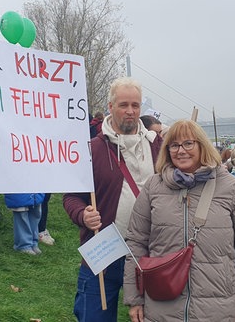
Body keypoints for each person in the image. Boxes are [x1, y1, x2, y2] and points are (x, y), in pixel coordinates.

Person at [123, 120, 235, 321]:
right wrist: (135, 298)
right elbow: (136, 243)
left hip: (219, 309)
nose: (181, 150)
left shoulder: (232, 188)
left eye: (188, 144)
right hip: (162, 308)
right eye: (174, 145)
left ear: (202, 145)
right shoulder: (153, 187)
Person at [63, 77, 162, 322]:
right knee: (94, 316)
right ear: (110, 106)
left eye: (135, 105)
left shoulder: (157, 146)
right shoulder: (91, 149)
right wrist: (82, 214)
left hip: (149, 252)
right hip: (104, 251)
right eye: (123, 105)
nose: (130, 111)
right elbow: (71, 196)